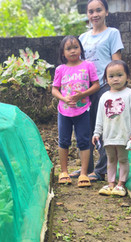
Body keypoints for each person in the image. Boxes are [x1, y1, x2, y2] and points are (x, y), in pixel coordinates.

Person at [69, 0, 124, 182]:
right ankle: (86, 168)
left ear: (106, 12)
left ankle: (101, 170)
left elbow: (116, 62)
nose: (95, 15)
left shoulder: (112, 33)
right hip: (85, 90)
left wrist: (117, 88)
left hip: (103, 87)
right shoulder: (82, 38)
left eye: (99, 10)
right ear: (87, 15)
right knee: (85, 129)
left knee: (104, 128)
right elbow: (77, 63)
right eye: (91, 11)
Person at [52, 35, 100, 187]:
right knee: (64, 141)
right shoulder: (60, 69)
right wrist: (64, 99)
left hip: (83, 110)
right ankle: (64, 172)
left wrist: (83, 95)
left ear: (81, 49)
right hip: (64, 111)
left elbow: (96, 85)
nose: (72, 51)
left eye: (75, 47)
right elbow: (55, 89)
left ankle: (84, 173)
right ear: (63, 53)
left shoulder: (88, 65)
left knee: (84, 141)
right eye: (68, 48)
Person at [92, 60, 131, 196]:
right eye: (111, 76)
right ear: (106, 79)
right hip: (108, 136)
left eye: (119, 75)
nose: (115, 79)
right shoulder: (104, 97)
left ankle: (121, 184)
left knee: (123, 159)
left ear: (128, 77)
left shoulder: (130, 94)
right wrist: (97, 133)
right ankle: (111, 183)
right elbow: (100, 118)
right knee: (111, 159)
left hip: (124, 135)